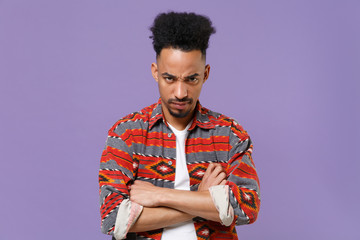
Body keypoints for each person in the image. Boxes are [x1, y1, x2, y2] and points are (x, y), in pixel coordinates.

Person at [99, 11, 260, 240]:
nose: (180, 92)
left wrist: (159, 196)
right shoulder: (126, 134)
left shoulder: (230, 134)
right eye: (170, 78)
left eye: (191, 79)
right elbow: (113, 219)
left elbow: (247, 207)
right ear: (155, 73)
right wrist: (203, 200)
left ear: (205, 74)